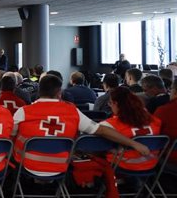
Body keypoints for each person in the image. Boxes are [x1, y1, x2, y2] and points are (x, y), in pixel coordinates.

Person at [11, 75, 150, 177]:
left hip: (28, 164)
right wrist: (133, 143)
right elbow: (101, 130)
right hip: (61, 165)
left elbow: (10, 134)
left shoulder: (23, 111)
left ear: (38, 91)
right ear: (59, 93)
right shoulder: (72, 111)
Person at [99, 86, 162, 171]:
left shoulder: (110, 124)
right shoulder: (155, 120)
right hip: (151, 164)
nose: (110, 106)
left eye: (110, 103)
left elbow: (95, 131)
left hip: (124, 165)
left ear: (115, 103)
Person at [155, 79, 177, 169]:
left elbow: (154, 133)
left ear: (175, 92)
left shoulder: (164, 110)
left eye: (171, 89)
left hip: (171, 158)